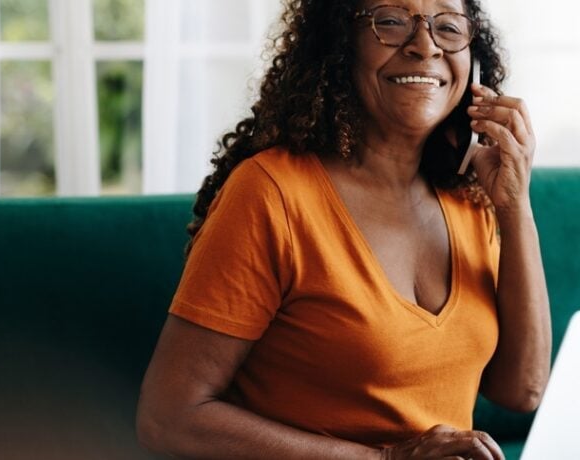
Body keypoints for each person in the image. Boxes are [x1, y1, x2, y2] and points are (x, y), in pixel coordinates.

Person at [136, 0, 552, 458]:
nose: (424, 46)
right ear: (339, 46)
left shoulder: (467, 196)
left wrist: (514, 206)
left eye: (449, 27)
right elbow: (169, 418)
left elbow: (522, 391)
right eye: (391, 21)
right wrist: (386, 458)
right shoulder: (271, 193)